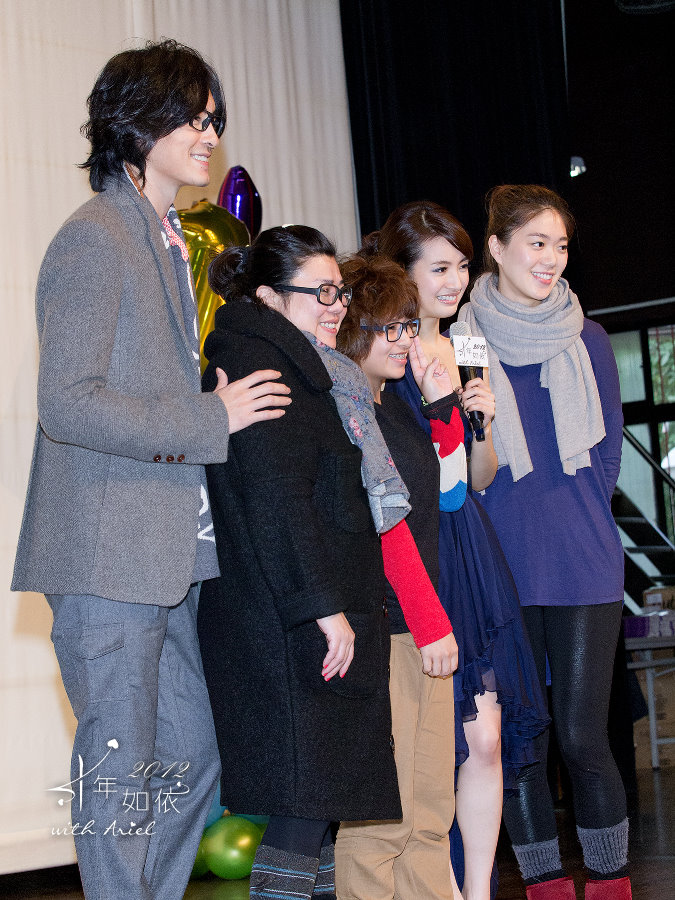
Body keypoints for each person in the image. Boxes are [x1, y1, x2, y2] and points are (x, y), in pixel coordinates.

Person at [11, 40, 291, 900]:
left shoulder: (163, 237)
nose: (208, 135)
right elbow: (67, 402)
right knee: (121, 772)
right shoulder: (96, 237)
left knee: (192, 760)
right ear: (136, 124)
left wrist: (203, 406)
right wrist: (210, 416)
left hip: (164, 556)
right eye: (191, 118)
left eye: (213, 120)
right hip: (106, 557)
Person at [199, 225, 402, 900]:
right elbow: (277, 500)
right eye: (319, 292)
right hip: (290, 619)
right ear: (267, 296)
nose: (335, 306)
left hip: (303, 608)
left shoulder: (301, 364)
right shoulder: (261, 364)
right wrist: (322, 607)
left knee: (318, 805)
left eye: (338, 291)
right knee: (304, 802)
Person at [460, 185, 629, 900]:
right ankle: (544, 886)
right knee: (520, 742)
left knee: (584, 738)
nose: (551, 258)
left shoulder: (588, 338)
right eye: (536, 242)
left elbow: (609, 453)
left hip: (584, 559)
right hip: (501, 563)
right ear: (496, 247)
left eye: (560, 245)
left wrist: (578, 519)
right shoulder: (462, 340)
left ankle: (612, 883)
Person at [377, 201, 549, 900]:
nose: (454, 282)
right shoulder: (381, 357)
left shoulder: (463, 348)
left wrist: (481, 422)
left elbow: (478, 477)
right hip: (415, 545)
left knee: (485, 737)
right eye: (439, 268)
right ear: (403, 273)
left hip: (469, 546)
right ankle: (436, 885)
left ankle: (478, 890)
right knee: (430, 743)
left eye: (461, 267)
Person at [334, 252, 459, 900]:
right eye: (390, 327)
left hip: (421, 625)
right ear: (352, 328)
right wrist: (429, 621)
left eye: (408, 324)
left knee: (430, 813)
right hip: (386, 628)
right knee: (380, 819)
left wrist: (444, 409)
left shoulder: (395, 408)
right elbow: (384, 528)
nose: (405, 338)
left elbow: (451, 493)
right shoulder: (345, 410)